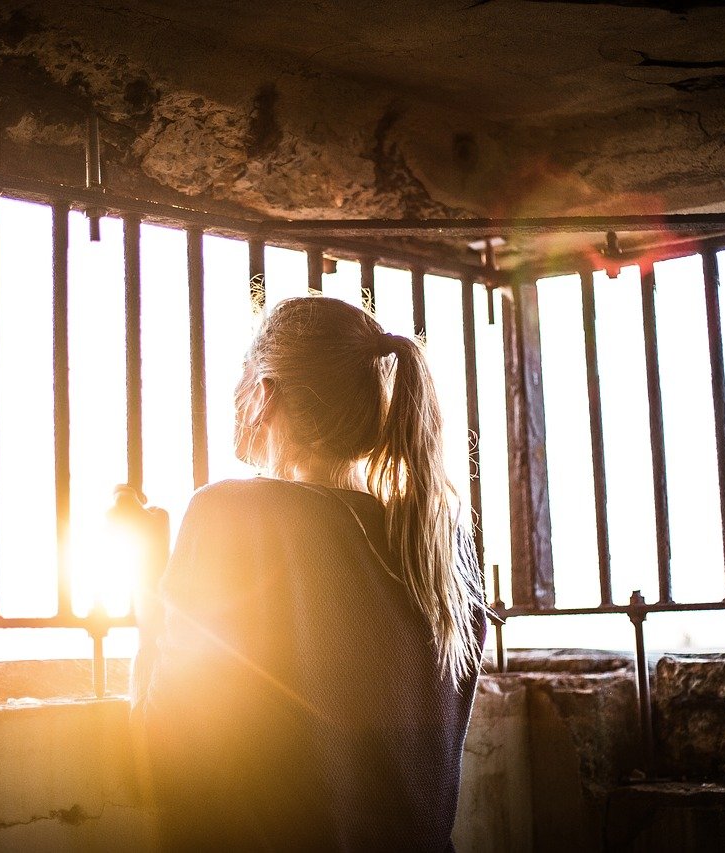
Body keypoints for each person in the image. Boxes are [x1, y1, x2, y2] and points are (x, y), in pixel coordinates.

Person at [130, 295, 487, 851]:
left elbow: (163, 752)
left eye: (245, 373)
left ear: (264, 397)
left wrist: (148, 587)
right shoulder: (438, 548)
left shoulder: (232, 516)